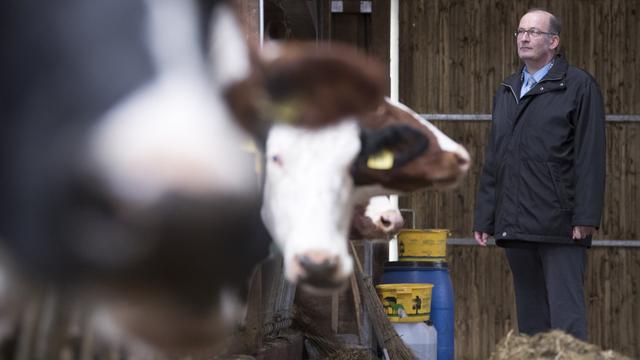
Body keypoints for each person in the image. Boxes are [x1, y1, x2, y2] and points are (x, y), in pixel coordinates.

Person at [473, 8, 605, 341]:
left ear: (554, 42)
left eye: (533, 31)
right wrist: (485, 217)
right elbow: (496, 158)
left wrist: (585, 215)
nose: (524, 37)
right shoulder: (508, 88)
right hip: (516, 224)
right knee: (532, 325)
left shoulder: (577, 86)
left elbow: (590, 154)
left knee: (566, 322)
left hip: (560, 226)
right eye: (520, 31)